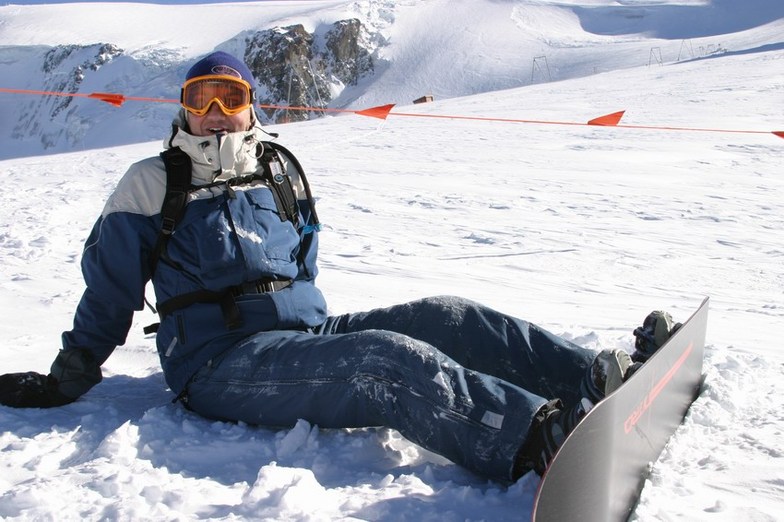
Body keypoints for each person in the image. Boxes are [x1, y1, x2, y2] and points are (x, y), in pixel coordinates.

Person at [0, 52, 681, 482]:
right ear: (182, 105)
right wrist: (67, 379)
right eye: (200, 97)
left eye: (228, 97)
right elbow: (109, 293)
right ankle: (537, 439)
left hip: (305, 334)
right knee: (383, 362)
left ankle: (591, 375)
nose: (213, 113)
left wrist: (307, 321)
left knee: (448, 317)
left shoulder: (278, 167)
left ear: (249, 106)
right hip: (218, 361)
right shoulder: (150, 182)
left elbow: (306, 257)